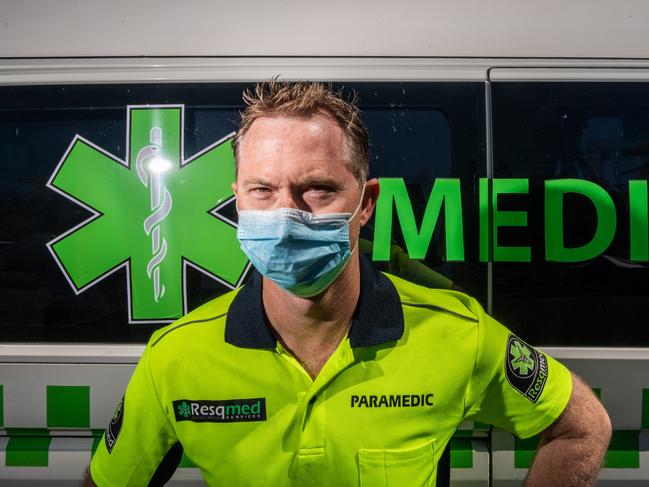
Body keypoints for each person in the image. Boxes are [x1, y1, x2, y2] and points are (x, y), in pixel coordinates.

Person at [84, 80, 611, 487]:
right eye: (262, 190)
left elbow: (583, 427)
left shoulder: (457, 332)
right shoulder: (176, 356)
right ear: (238, 198)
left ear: (366, 203)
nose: (286, 214)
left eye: (317, 189)